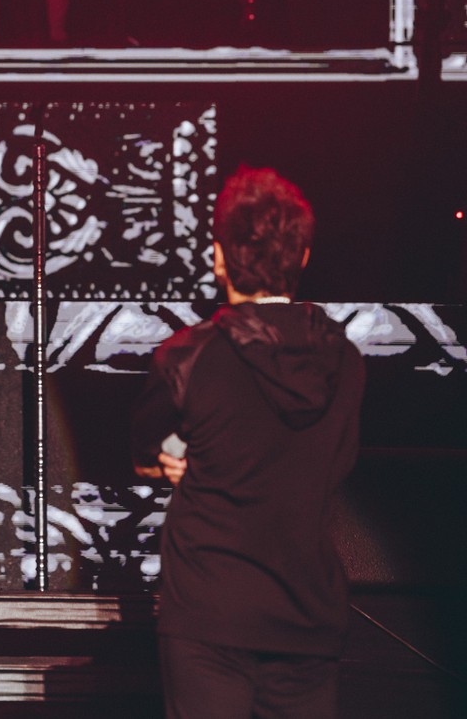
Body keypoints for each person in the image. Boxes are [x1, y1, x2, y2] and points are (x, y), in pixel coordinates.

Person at [130, 166, 364, 719]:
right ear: (302, 257)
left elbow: (144, 456)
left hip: (210, 609)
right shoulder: (345, 362)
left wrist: (172, 466)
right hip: (308, 607)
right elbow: (337, 464)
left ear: (219, 256)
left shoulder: (189, 355)